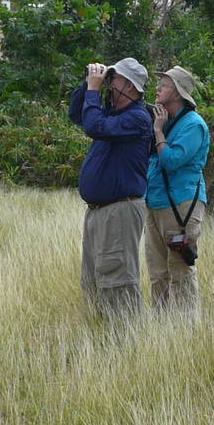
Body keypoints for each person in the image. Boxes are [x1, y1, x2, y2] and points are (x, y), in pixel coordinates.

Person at [68, 57, 153, 323]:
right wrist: (87, 85)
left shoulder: (137, 118)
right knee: (93, 282)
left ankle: (128, 344)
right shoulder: (113, 114)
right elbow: (76, 114)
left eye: (112, 78)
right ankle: (103, 342)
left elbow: (94, 126)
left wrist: (94, 91)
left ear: (128, 86)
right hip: (99, 212)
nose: (108, 82)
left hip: (120, 210)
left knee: (117, 283)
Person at [144, 66, 209, 316]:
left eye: (165, 85)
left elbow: (170, 161)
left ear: (178, 94)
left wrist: (158, 131)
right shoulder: (166, 120)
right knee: (157, 271)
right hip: (156, 202)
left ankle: (185, 333)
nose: (158, 88)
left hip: (181, 206)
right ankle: (162, 332)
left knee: (179, 270)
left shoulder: (193, 125)